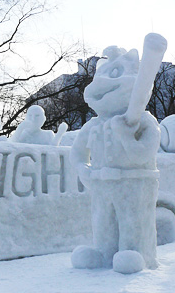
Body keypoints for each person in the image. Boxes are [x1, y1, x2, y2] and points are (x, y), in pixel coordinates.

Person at [70, 37, 166, 274]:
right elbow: (78, 152)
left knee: (133, 221)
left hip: (135, 184)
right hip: (102, 184)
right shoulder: (93, 125)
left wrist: (125, 135)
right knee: (103, 221)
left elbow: (143, 154)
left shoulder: (144, 120)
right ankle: (103, 253)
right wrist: (83, 168)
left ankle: (137, 254)